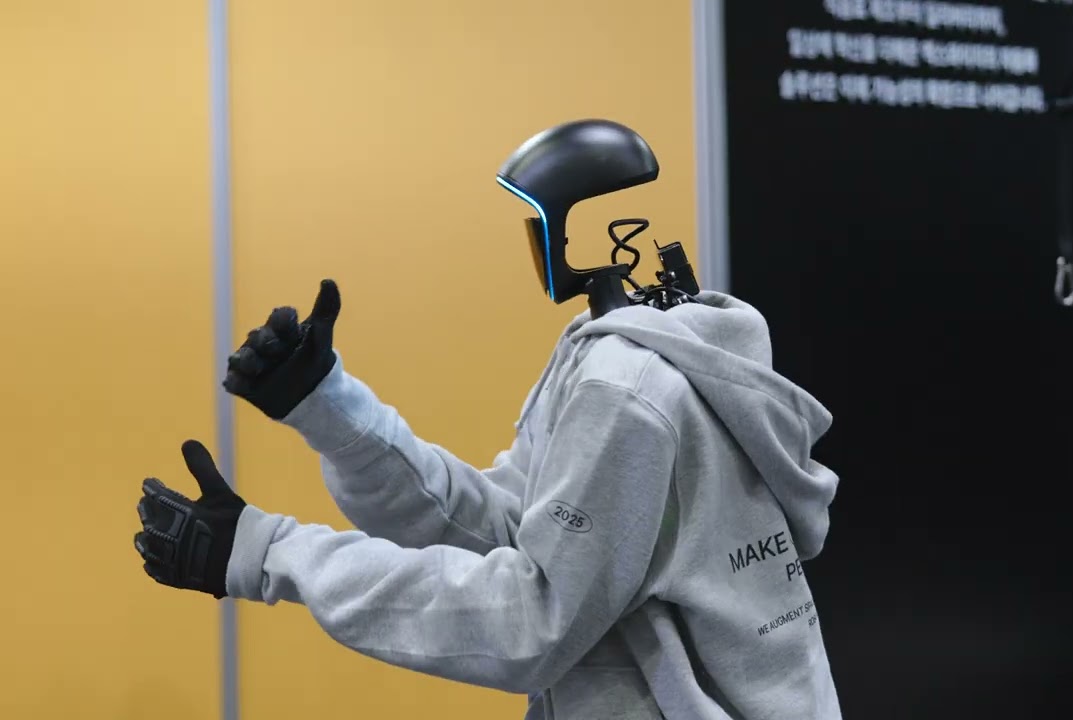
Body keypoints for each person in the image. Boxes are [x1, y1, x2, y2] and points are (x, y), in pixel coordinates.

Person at [133, 120, 842, 719]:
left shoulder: (629, 388)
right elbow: (504, 528)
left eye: (537, 222)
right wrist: (328, 409)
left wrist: (269, 552)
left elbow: (531, 621)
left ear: (575, 226)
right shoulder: (627, 353)